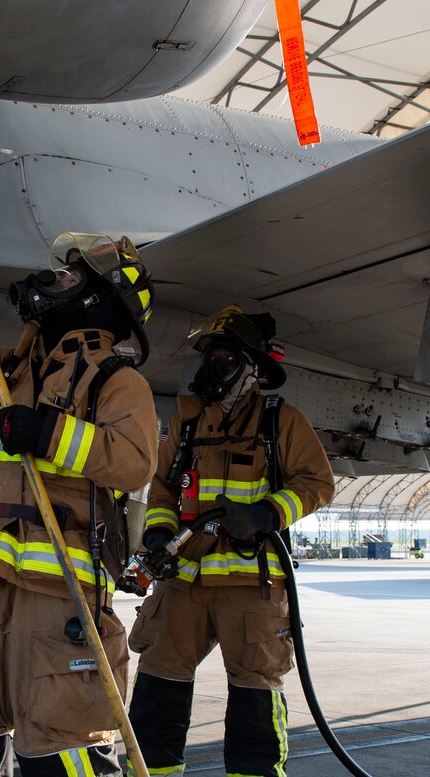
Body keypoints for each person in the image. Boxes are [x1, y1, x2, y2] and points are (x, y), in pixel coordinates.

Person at [0, 205, 159, 776]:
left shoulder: (119, 382)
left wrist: (46, 432)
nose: (55, 282)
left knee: (61, 751)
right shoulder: (12, 374)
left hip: (58, 598)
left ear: (102, 295)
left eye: (71, 276)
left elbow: (134, 462)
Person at [126, 306, 335, 777]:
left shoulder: (280, 421)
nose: (212, 365)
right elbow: (161, 487)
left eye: (225, 356)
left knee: (254, 698)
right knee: (158, 686)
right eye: (210, 355)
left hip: (250, 585)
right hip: (183, 582)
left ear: (253, 369)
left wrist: (268, 513)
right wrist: (158, 528)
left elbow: (318, 482)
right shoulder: (185, 424)